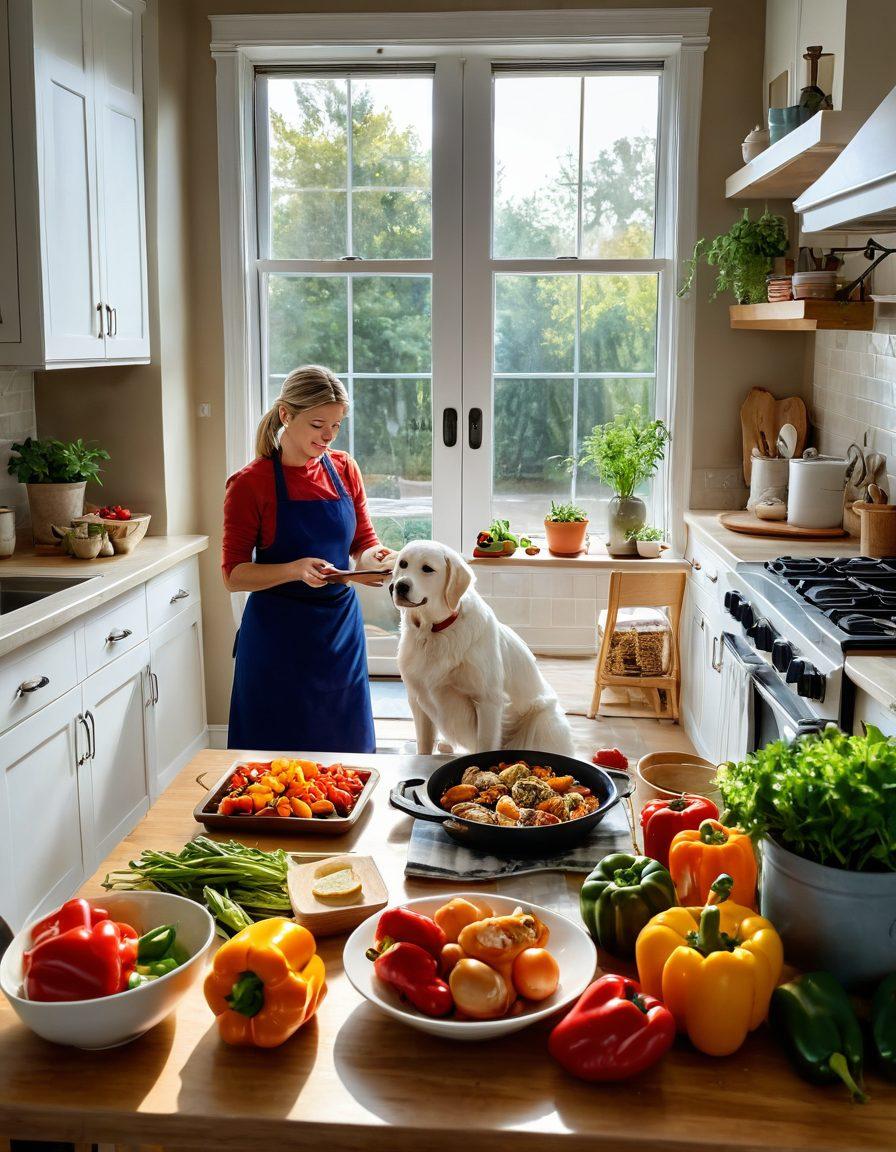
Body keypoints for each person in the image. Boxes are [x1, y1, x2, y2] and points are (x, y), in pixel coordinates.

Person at [222, 364, 396, 753]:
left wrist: (374, 557)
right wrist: (294, 569)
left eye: (336, 426)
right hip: (278, 639)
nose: (328, 436)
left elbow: (362, 539)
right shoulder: (250, 484)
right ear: (286, 415)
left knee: (347, 754)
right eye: (319, 424)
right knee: (274, 765)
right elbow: (233, 575)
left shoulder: (343, 467)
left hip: (340, 634)